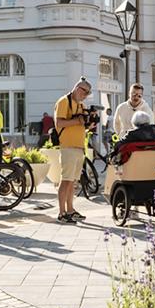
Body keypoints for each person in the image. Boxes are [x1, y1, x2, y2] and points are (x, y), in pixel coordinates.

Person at [54, 78, 93, 224]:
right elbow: (59, 123)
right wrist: (78, 121)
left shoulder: (80, 104)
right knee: (65, 181)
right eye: (85, 92)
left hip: (78, 147)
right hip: (68, 147)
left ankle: (70, 210)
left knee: (72, 181)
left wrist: (89, 124)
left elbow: (81, 125)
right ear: (78, 88)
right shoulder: (64, 101)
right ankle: (61, 213)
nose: (86, 95)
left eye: (88, 93)